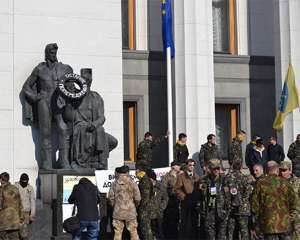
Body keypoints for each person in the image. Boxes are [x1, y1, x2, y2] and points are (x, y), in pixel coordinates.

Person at [22, 43, 73, 169]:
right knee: (45, 133)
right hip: (44, 101)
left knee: (63, 129)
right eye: (51, 52)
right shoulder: (40, 69)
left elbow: (71, 87)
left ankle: (64, 161)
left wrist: (69, 96)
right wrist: (35, 97)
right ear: (46, 53)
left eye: (55, 52)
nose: (53, 54)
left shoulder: (65, 69)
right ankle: (47, 162)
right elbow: (26, 87)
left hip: (59, 102)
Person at [66, 68, 118, 169]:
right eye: (85, 79)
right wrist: (69, 102)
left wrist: (94, 125)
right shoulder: (74, 97)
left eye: (89, 80)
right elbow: (69, 117)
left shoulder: (96, 97)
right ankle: (83, 161)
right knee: (84, 130)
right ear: (80, 81)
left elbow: (102, 118)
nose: (87, 82)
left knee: (106, 135)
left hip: (94, 127)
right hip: (80, 127)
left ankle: (101, 163)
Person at [251, 161, 298, 239]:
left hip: (268, 225)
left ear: (266, 170)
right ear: (277, 170)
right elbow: (295, 204)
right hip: (284, 225)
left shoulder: (260, 183)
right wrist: (289, 218)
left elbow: (254, 206)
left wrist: (258, 222)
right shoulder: (285, 183)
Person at [108, 165, 141, 240]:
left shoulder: (114, 183)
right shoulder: (132, 183)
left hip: (118, 211)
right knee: (133, 232)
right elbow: (138, 198)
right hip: (130, 211)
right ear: (127, 172)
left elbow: (110, 198)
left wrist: (115, 206)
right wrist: (134, 206)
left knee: (117, 233)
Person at [199, 159, 227, 240]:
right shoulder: (204, 180)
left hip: (222, 212)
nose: (216, 170)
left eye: (218, 168)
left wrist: (227, 210)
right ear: (210, 169)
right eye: (214, 169)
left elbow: (229, 196)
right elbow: (200, 197)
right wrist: (201, 210)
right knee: (210, 236)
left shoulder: (224, 179)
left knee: (221, 236)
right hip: (209, 212)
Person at [224, 160, 252, 240]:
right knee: (244, 232)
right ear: (241, 167)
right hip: (243, 209)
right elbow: (248, 192)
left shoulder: (227, 177)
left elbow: (225, 192)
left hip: (230, 208)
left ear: (232, 166)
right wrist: (243, 201)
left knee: (231, 231)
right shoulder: (244, 178)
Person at [175, 159, 200, 239]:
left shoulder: (197, 176)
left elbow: (199, 190)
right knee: (184, 223)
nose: (192, 167)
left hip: (194, 203)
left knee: (194, 222)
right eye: (190, 165)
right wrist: (184, 197)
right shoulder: (181, 176)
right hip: (185, 203)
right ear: (186, 166)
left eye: (193, 165)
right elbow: (177, 189)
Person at [279, 161, 300, 239]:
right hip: (282, 214)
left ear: (290, 170)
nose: (282, 173)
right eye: (280, 170)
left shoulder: (297, 182)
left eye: (284, 170)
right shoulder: (277, 182)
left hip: (295, 214)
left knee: (296, 235)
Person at [0, 172, 24, 240]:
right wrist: (21, 218)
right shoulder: (15, 189)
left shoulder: (1, 190)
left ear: (1, 179)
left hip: (3, 222)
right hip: (15, 221)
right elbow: (20, 204)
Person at [162, 161, 181, 239]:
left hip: (178, 202)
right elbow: (163, 189)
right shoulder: (167, 176)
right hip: (170, 202)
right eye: (178, 165)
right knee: (170, 221)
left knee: (177, 220)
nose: (179, 167)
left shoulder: (179, 175)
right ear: (173, 167)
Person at [147, 169, 168, 239]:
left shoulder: (160, 186)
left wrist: (161, 208)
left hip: (158, 213)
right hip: (148, 213)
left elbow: (165, 199)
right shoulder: (145, 187)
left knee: (159, 231)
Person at [15, 173, 36, 240]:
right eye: (23, 182)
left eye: (25, 182)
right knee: (17, 231)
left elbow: (32, 201)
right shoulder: (16, 186)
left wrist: (32, 214)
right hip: (17, 212)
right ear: (20, 180)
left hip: (26, 213)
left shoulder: (30, 188)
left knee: (24, 232)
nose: (24, 184)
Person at [136, 167, 154, 240]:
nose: (135, 173)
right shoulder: (145, 181)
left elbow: (144, 198)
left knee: (145, 229)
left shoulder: (144, 182)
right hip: (146, 208)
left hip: (144, 209)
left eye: (137, 172)